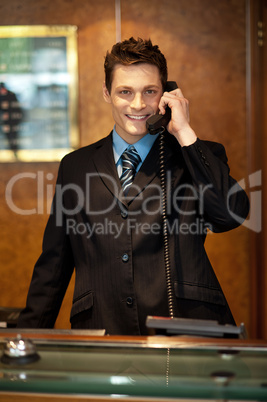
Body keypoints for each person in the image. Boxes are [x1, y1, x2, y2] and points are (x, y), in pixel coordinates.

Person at [17, 37, 249, 335]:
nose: (138, 104)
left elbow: (231, 215)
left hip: (186, 331)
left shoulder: (194, 154)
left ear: (166, 94)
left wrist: (184, 131)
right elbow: (54, 265)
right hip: (104, 328)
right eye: (125, 92)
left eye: (149, 91)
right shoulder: (75, 166)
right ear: (107, 93)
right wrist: (23, 339)